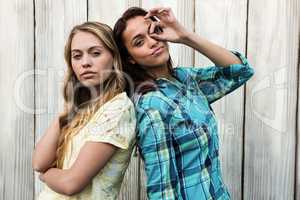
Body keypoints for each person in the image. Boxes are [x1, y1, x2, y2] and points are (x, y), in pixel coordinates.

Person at [113, 7, 254, 200]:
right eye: (139, 42)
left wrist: (184, 35)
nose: (152, 41)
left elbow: (240, 71)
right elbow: (162, 191)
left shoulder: (184, 78)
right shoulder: (151, 105)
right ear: (130, 58)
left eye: (154, 31)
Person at [32, 21, 136, 200]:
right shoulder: (81, 110)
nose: (85, 63)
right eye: (77, 56)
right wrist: (70, 108)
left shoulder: (118, 108)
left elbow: (71, 183)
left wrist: (46, 176)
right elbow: (39, 162)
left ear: (114, 57)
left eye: (95, 53)